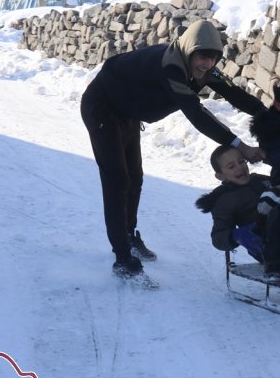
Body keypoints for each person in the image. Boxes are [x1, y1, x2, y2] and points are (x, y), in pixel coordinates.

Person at [81, 20, 266, 277]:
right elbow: (196, 113)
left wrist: (271, 117)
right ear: (190, 50)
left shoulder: (203, 69)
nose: (207, 64)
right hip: (102, 106)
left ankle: (129, 236)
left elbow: (236, 95)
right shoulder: (172, 66)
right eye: (202, 56)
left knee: (134, 178)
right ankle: (122, 258)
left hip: (128, 112)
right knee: (117, 179)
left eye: (213, 58)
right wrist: (239, 145)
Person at [195, 145, 276, 262]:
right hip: (264, 245)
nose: (240, 168)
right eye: (231, 167)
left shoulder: (260, 180)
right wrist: (237, 235)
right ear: (220, 176)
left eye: (241, 161)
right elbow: (218, 237)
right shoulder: (224, 200)